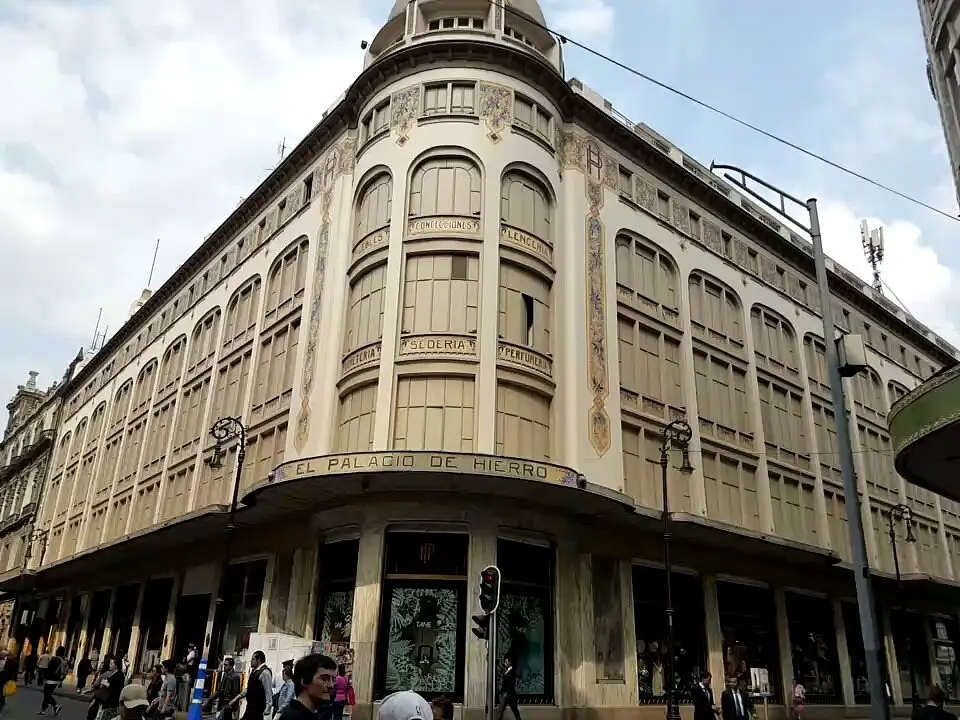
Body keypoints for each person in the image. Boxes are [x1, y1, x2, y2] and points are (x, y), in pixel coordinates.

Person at [278, 653, 337, 720]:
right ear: (304, 680)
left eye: (333, 679)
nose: (331, 685)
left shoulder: (313, 714)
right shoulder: (293, 717)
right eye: (324, 678)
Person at [228, 651, 272, 720]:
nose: (251, 661)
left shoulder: (265, 672)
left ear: (259, 660)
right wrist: (237, 698)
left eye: (253, 659)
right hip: (250, 707)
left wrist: (268, 708)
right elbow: (249, 689)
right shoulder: (254, 671)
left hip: (257, 709)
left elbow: (268, 691)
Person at [39, 646, 66, 716]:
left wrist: (44, 676)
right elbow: (64, 672)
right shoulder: (64, 660)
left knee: (47, 694)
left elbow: (49, 668)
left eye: (57, 650)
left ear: (59, 652)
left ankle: (55, 706)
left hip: (51, 679)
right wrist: (61, 681)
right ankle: (43, 710)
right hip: (57, 680)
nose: (56, 651)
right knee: (47, 694)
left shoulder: (55, 659)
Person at [496, 656, 520, 720]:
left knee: (514, 711)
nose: (505, 663)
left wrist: (505, 673)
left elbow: (507, 679)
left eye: (506, 661)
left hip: (510, 694)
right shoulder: (506, 671)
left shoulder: (512, 672)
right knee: (501, 710)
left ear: (510, 663)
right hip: (506, 694)